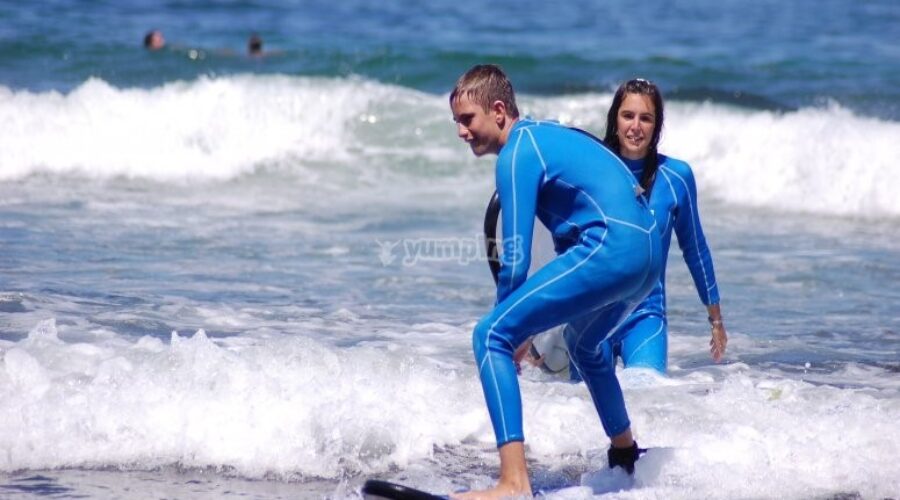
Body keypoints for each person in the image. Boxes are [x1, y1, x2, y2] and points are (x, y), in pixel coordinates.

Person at [449, 64, 662, 498]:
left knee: (489, 335)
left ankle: (512, 483)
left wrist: (512, 332)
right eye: (456, 122)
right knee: (585, 346)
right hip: (648, 257)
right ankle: (625, 456)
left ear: (498, 110)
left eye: (467, 119)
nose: (461, 132)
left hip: (611, 248)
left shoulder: (518, 151)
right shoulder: (551, 136)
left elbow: (515, 260)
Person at [521, 78, 728, 376]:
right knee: (585, 405)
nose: (636, 126)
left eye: (646, 118)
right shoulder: (588, 172)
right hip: (587, 316)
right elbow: (561, 254)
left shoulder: (676, 178)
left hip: (644, 316)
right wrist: (533, 326)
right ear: (614, 119)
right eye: (628, 115)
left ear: (657, 126)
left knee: (647, 396)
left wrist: (716, 320)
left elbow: (695, 250)